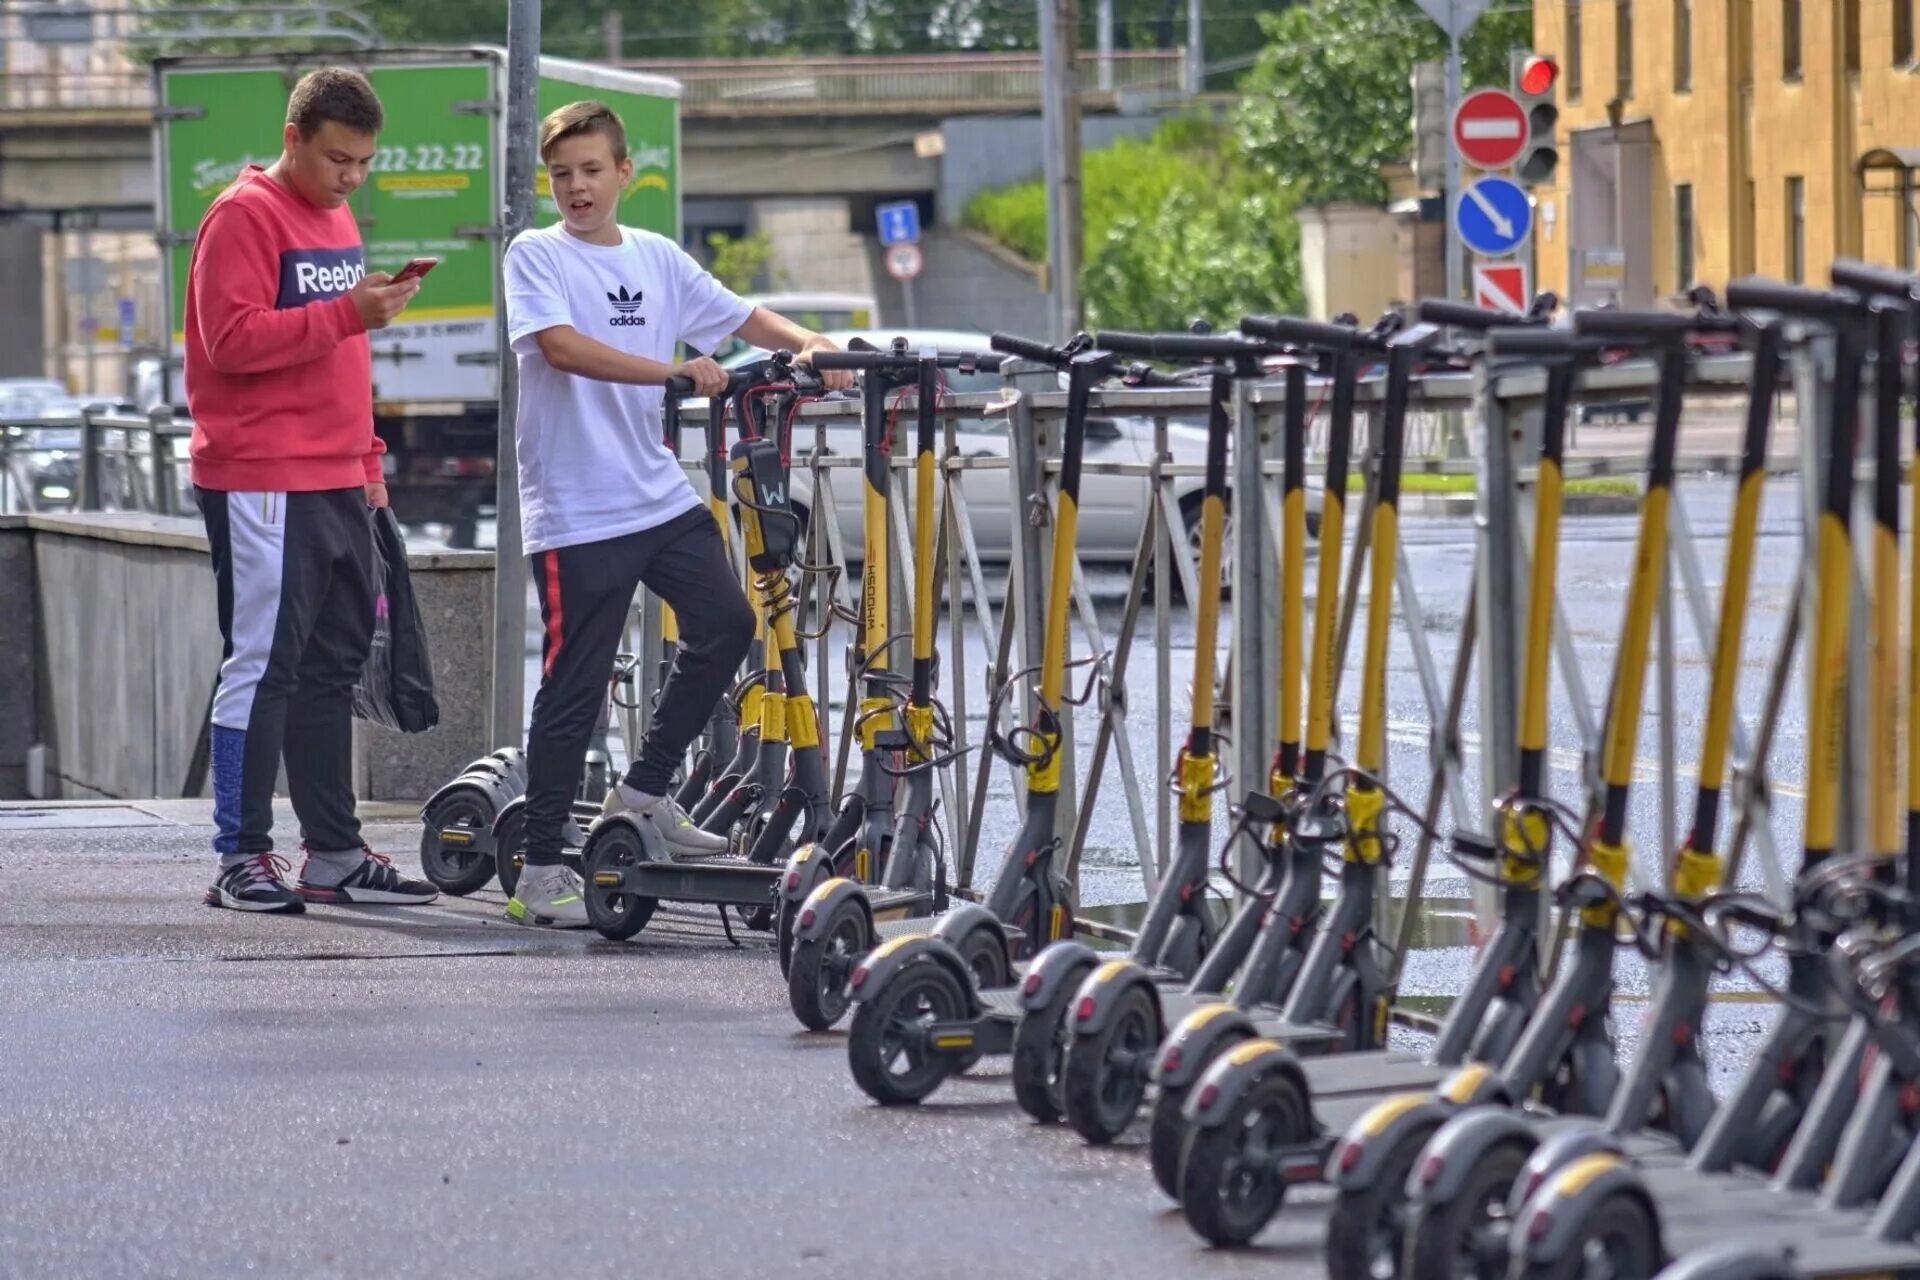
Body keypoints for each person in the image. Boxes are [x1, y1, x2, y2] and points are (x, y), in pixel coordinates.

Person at [501, 100, 854, 928]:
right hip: (577, 506)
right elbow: (558, 348)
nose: (577, 189)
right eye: (562, 176)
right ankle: (541, 869)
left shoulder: (657, 257)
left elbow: (744, 319)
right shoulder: (536, 254)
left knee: (727, 624)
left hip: (654, 494)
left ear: (626, 173)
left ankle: (644, 791)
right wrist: (670, 373)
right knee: (575, 685)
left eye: (592, 171)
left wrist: (818, 346)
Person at [188, 67, 440, 913]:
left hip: (335, 478)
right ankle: (240, 855)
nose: (351, 178)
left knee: (331, 668)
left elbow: (342, 361)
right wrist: (350, 315)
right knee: (262, 667)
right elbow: (230, 341)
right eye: (338, 159)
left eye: (364, 162)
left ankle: (332, 852)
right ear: (293, 137)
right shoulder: (242, 215)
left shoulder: (332, 218)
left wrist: (369, 467)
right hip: (262, 479)